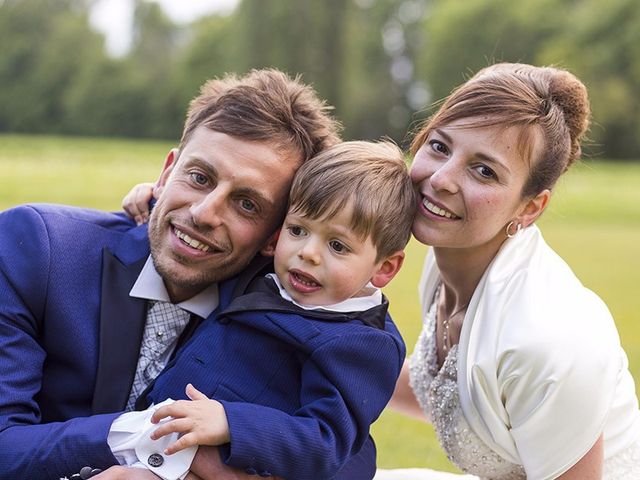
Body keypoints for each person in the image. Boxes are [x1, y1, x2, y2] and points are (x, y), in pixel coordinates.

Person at [0, 68, 371, 480]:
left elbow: (351, 457)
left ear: (277, 236)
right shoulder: (36, 248)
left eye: (247, 204)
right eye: (199, 178)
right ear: (166, 172)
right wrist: (146, 435)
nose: (203, 213)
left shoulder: (291, 302)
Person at [374, 63, 640, 479]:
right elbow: (451, 398)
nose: (441, 179)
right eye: (440, 146)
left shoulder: (546, 340)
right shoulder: (447, 259)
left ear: (530, 207)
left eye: (484, 170)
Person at [118, 140, 414, 480]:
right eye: (298, 230)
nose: (308, 253)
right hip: (156, 440)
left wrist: (231, 422)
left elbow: (326, 442)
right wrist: (152, 195)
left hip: (224, 467)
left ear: (384, 268)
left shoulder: (363, 344)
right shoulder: (269, 273)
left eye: (337, 245)